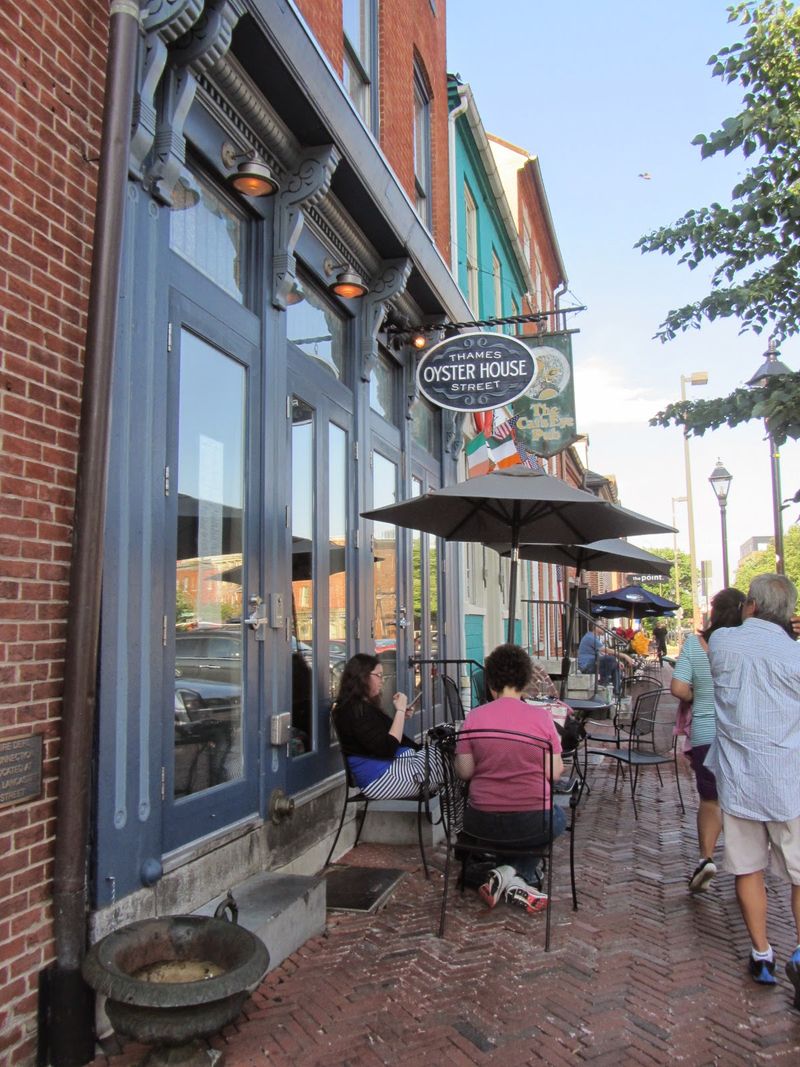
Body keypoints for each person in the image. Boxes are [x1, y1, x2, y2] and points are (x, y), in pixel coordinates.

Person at [705, 574, 800, 1002]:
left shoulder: (723, 643)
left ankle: (762, 953)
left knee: (748, 868)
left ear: (752, 606)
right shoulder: (796, 655)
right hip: (789, 779)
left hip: (740, 776)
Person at [454, 643, 565, 914]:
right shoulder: (542, 720)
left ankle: (505, 876)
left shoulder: (474, 718)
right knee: (559, 818)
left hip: (480, 823)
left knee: (512, 828)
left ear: (491, 682)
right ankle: (513, 874)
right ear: (525, 681)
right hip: (533, 821)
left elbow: (465, 772)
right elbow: (554, 772)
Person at [670, 587, 746, 893]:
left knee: (710, 799)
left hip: (705, 731)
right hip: (740, 731)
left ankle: (706, 858)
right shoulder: (746, 644)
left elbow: (677, 688)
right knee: (741, 799)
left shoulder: (695, 643)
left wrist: (697, 695)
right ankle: (745, 863)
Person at [332, 653, 442, 798]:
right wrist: (400, 711)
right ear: (362, 676)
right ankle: (461, 816)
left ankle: (457, 813)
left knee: (447, 754)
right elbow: (388, 747)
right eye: (378, 675)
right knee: (450, 765)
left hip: (390, 767)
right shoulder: (354, 711)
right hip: (380, 778)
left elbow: (380, 736)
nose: (382, 680)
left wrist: (401, 716)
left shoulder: (360, 707)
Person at [577, 623, 633, 698]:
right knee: (610, 659)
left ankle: (617, 693)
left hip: (593, 663)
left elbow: (601, 653)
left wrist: (617, 661)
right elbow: (606, 650)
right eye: (602, 626)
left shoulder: (594, 637)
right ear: (595, 627)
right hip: (586, 666)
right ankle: (603, 685)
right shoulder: (590, 638)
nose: (605, 628)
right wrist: (625, 656)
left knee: (615, 663)